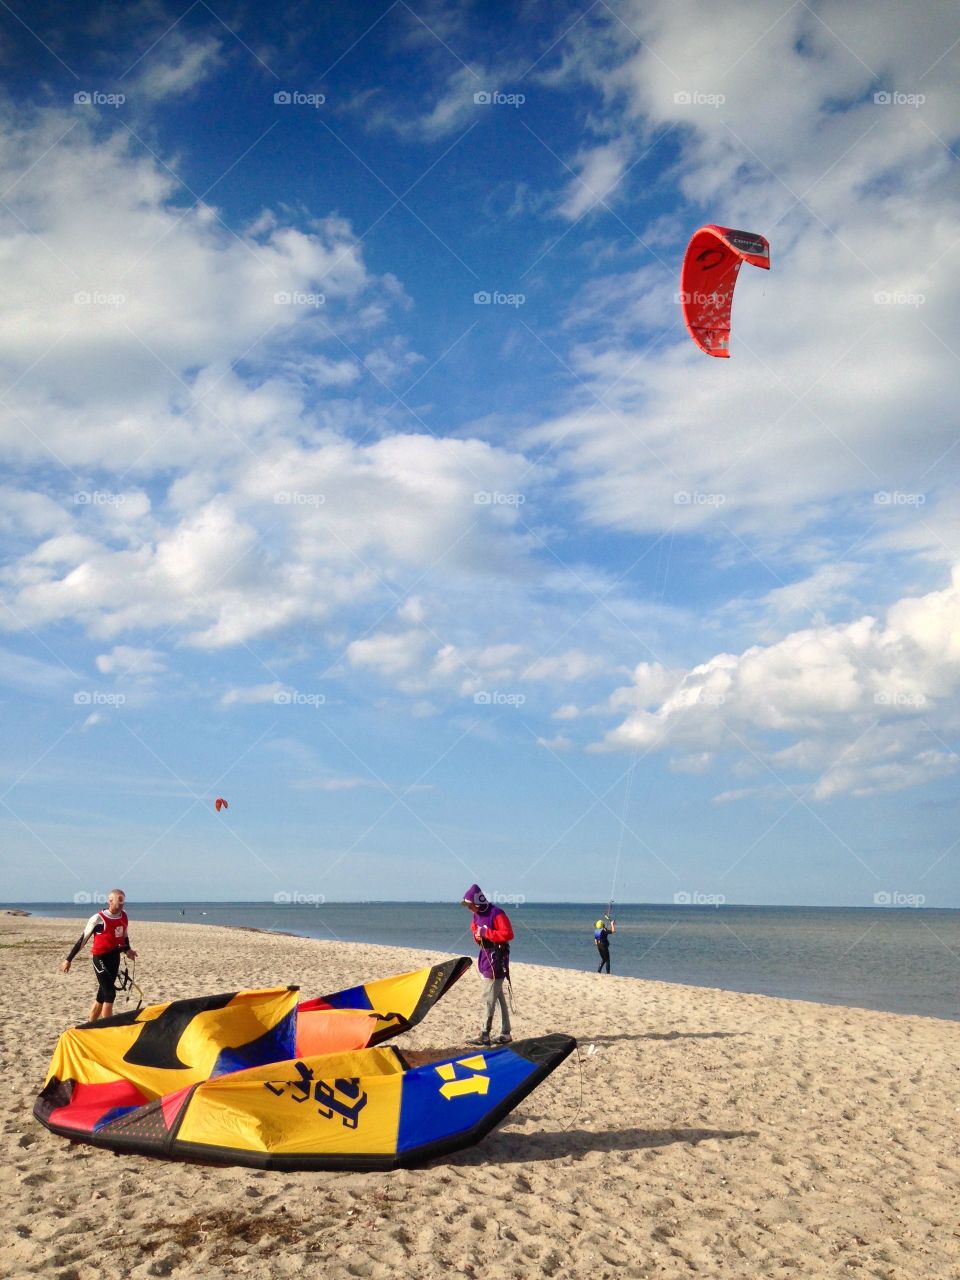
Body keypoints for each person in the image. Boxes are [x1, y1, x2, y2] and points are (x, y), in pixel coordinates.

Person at [61, 889, 137, 1021]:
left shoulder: (124, 916)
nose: (121, 903)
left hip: (114, 958)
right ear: (110, 901)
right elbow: (82, 940)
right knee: (110, 993)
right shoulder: (98, 919)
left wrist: (128, 950)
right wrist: (69, 959)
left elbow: (123, 936)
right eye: (118, 900)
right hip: (100, 958)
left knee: (102, 995)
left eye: (122, 900)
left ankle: (91, 1024)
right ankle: (108, 1028)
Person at [461, 884, 513, 1047]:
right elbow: (476, 931)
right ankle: (505, 1033)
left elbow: (508, 934)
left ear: (478, 902)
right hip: (485, 957)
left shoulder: (497, 913)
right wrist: (476, 933)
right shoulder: (477, 914)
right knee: (497, 998)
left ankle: (485, 1034)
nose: (469, 908)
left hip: (496, 959)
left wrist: (485, 933)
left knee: (488, 998)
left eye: (471, 905)